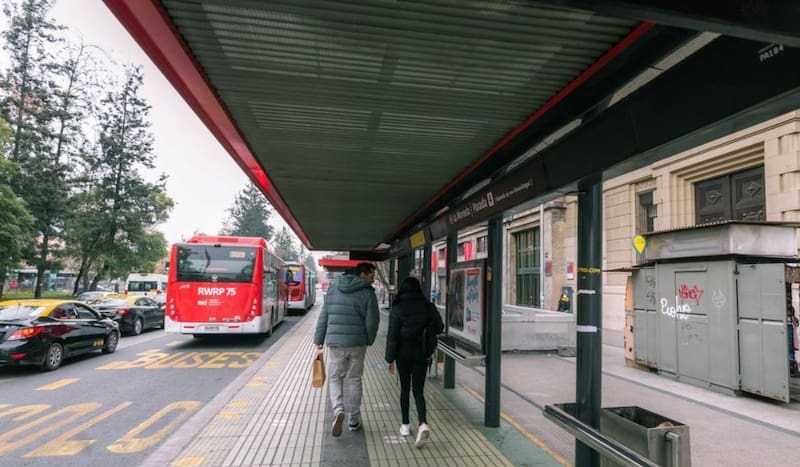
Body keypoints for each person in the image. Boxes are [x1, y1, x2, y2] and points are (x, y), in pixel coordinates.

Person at [314, 262, 380, 437]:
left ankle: (338, 410)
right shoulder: (368, 292)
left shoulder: (333, 290)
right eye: (371, 275)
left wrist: (318, 340)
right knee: (355, 379)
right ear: (362, 275)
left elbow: (324, 316)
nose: (373, 278)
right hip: (358, 343)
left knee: (335, 378)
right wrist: (369, 340)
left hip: (336, 343)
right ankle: (353, 420)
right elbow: (373, 321)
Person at [385, 276, 444, 448]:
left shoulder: (397, 308)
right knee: (418, 391)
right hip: (422, 354)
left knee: (404, 389)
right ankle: (423, 423)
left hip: (402, 355)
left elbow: (392, 336)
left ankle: (405, 425)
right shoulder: (428, 306)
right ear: (418, 289)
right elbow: (440, 327)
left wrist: (389, 358)